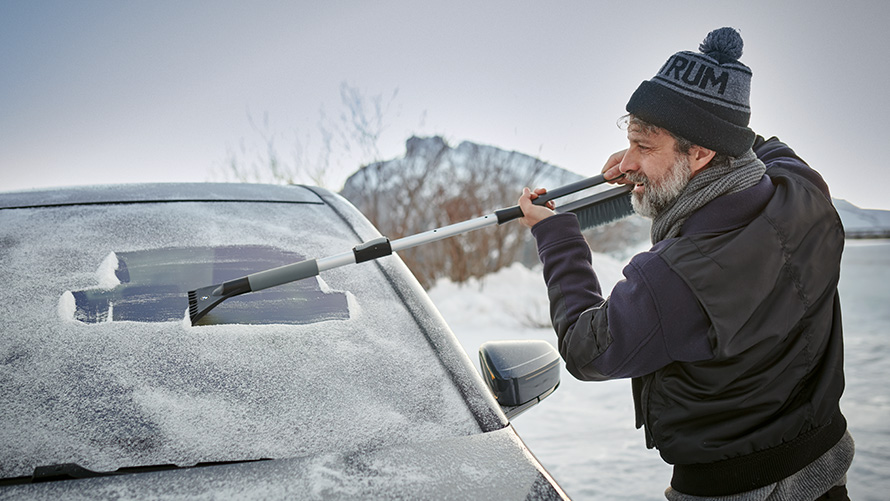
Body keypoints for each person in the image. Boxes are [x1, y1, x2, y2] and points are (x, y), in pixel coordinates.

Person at [517, 27, 854, 500]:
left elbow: (585, 350)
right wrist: (648, 156)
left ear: (701, 151)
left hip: (727, 488)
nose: (629, 161)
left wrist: (554, 234)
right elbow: (759, 144)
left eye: (645, 146)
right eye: (631, 141)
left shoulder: (673, 278)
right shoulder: (806, 195)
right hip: (824, 468)